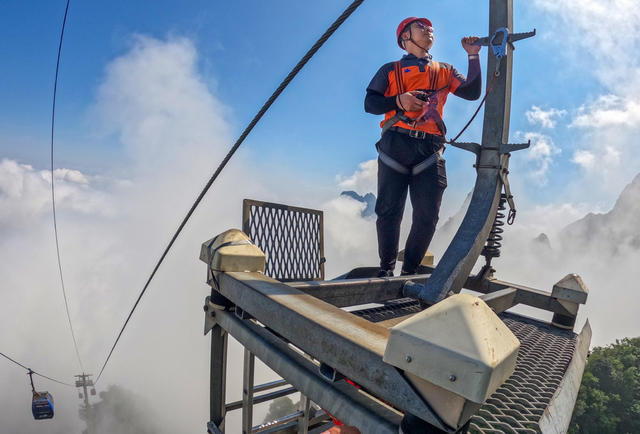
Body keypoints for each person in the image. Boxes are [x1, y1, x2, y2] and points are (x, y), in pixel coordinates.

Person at [365, 17, 482, 277]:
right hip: (396, 142)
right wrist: (399, 100)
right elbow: (371, 104)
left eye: (430, 27)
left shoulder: (445, 70)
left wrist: (473, 57)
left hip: (429, 148)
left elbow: (472, 92)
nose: (428, 29)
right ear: (404, 38)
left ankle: (409, 271)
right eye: (420, 27)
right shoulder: (390, 70)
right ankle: (386, 270)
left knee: (428, 216)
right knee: (388, 211)